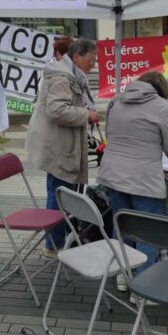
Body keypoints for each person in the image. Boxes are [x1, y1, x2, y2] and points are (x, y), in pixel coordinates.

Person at [97, 71, 168, 269]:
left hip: (113, 175)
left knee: (122, 225)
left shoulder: (116, 102)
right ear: (162, 90)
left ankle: (122, 274)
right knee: (147, 231)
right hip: (144, 180)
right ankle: (143, 285)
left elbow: (111, 134)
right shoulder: (163, 107)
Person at [25, 38, 99, 254]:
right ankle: (54, 246)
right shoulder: (61, 76)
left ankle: (59, 241)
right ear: (77, 57)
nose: (93, 64)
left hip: (60, 142)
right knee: (59, 195)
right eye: (91, 59)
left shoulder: (70, 73)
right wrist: (87, 114)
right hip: (57, 145)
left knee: (60, 193)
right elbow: (57, 111)